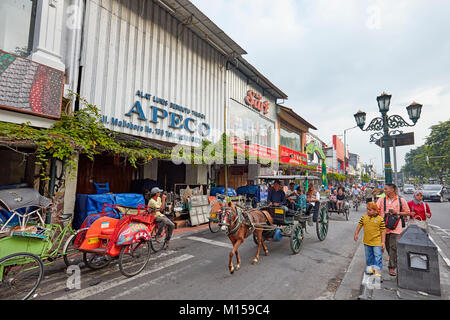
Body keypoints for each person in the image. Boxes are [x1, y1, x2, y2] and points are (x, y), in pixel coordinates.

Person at [376, 184, 411, 276]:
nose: (384, 190)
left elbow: (407, 212)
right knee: (387, 245)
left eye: (386, 189)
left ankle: (392, 267)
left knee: (393, 247)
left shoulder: (401, 200)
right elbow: (376, 210)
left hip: (396, 227)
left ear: (392, 189)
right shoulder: (381, 200)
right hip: (384, 227)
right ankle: (392, 259)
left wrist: (397, 212)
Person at [354, 202, 386, 279]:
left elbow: (383, 231)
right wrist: (356, 234)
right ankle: (370, 270)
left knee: (378, 257)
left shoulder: (380, 219)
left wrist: (383, 242)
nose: (368, 211)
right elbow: (360, 225)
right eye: (367, 209)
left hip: (377, 242)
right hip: (367, 242)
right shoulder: (364, 217)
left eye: (370, 210)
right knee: (369, 257)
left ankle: (377, 273)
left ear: (376, 211)